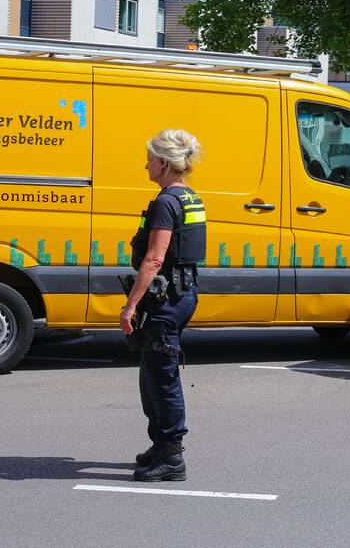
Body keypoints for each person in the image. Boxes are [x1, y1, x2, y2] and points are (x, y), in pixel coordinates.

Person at [121, 129, 206, 482]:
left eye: (149, 159)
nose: (145, 165)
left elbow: (154, 259)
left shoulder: (166, 203)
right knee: (152, 374)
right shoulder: (190, 197)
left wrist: (130, 306)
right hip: (181, 295)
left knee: (162, 378)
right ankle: (160, 445)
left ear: (163, 162)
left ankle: (172, 455)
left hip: (165, 298)